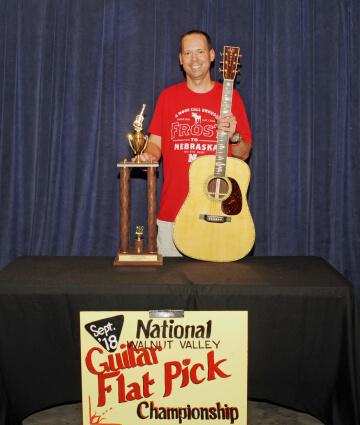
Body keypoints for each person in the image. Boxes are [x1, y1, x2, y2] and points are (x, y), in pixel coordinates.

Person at [140, 30, 253, 256]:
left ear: (212, 55)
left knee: (221, 287)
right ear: (180, 59)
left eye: (200, 51)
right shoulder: (168, 97)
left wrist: (234, 137)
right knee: (171, 288)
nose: (194, 59)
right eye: (188, 53)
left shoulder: (231, 98)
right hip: (173, 214)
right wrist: (148, 155)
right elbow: (155, 144)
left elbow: (243, 154)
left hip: (222, 217)